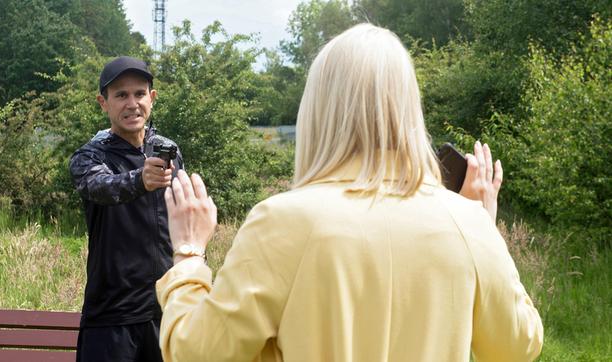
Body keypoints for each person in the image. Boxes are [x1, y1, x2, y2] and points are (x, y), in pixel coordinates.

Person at [157, 24, 543, 362]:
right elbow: (516, 349)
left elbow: (196, 352)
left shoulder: (282, 222)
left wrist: (189, 257)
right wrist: (482, 233)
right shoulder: (468, 221)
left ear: (319, 110)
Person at [69, 56, 184, 362]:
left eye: (139, 94)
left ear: (152, 98)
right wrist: (140, 179)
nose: (132, 103)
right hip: (112, 317)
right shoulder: (90, 157)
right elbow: (101, 188)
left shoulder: (168, 151)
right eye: (120, 95)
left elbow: (183, 217)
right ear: (103, 103)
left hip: (167, 311)